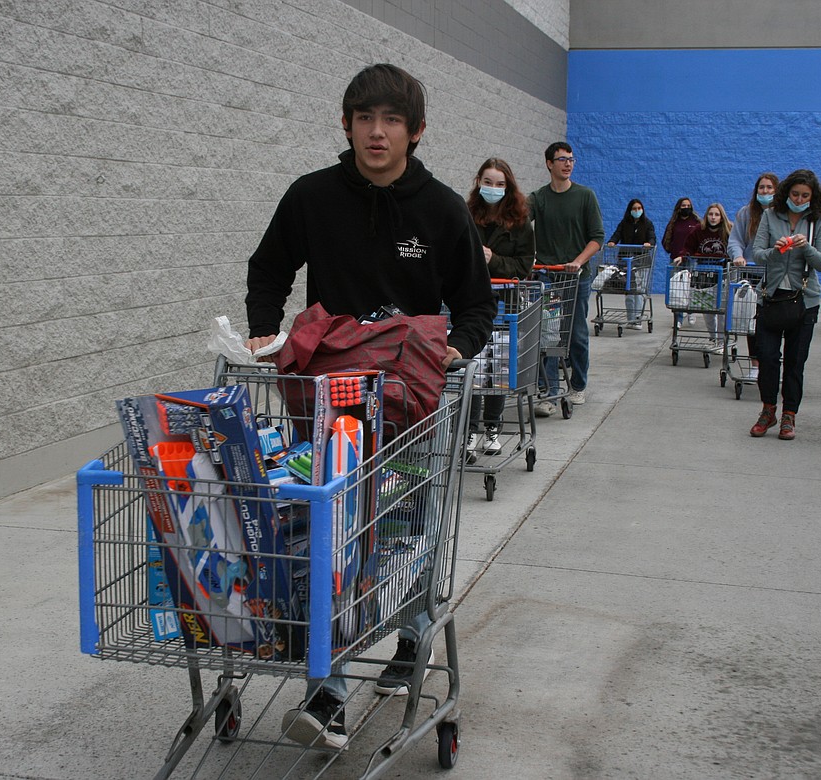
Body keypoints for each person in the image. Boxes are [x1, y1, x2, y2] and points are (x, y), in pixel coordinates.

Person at [244, 63, 495, 749]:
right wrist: (266, 328)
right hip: (333, 399)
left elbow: (475, 303)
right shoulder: (311, 198)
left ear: (415, 131)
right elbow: (269, 268)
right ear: (347, 124)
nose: (376, 132)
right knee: (334, 536)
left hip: (413, 398)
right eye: (364, 118)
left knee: (411, 524)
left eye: (390, 120)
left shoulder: (442, 209)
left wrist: (458, 349)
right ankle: (327, 698)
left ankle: (412, 638)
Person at [748, 169, 821, 441]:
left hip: (804, 301)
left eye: (805, 195)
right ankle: (768, 409)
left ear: (813, 197)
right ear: (786, 193)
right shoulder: (771, 216)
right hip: (772, 298)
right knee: (768, 358)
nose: (799, 199)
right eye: (795, 194)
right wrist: (776, 250)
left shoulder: (818, 219)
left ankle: (789, 416)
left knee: (795, 363)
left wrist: (805, 247)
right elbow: (757, 254)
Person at [526, 142, 605, 416]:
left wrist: (578, 262)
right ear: (549, 164)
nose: (567, 164)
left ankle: (578, 384)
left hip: (576, 277)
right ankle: (548, 391)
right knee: (548, 331)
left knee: (575, 333)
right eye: (561, 159)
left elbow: (597, 238)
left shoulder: (585, 196)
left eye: (571, 159)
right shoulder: (539, 198)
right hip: (548, 274)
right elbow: (518, 220)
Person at [465, 157, 535, 455]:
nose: (493, 188)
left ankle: (492, 426)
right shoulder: (466, 215)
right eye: (488, 182)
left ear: (509, 187)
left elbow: (524, 265)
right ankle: (469, 431)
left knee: (496, 370)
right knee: (472, 369)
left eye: (499, 184)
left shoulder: (520, 224)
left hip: (505, 306)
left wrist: (493, 260)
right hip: (470, 302)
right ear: (479, 182)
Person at [728, 172, 781, 366]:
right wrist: (738, 256)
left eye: (769, 188)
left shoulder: (781, 215)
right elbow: (735, 239)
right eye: (761, 187)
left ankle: (771, 361)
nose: (765, 191)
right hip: (751, 272)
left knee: (772, 320)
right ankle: (755, 363)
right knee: (753, 319)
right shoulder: (746, 213)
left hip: (774, 274)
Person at [681, 202, 732, 348]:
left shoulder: (728, 230)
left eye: (717, 214)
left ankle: (722, 341)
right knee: (708, 309)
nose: (713, 217)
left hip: (724, 274)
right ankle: (713, 337)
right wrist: (682, 255)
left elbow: (736, 247)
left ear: (721, 217)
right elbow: (688, 247)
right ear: (706, 216)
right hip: (705, 275)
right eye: (711, 214)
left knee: (722, 309)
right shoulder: (699, 230)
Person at [605, 198, 656, 329]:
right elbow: (617, 234)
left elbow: (652, 237)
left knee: (638, 290)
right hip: (626, 261)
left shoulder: (647, 223)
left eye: (639, 208)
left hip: (641, 261)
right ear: (630, 210)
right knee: (628, 291)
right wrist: (612, 242)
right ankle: (630, 318)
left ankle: (637, 319)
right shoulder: (624, 223)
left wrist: (649, 244)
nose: (637, 211)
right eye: (634, 209)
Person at [662, 196, 702, 329]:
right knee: (677, 290)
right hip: (676, 260)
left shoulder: (696, 222)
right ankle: (678, 318)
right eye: (683, 206)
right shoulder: (674, 223)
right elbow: (667, 238)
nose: (686, 208)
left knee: (690, 287)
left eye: (688, 205)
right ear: (679, 208)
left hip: (691, 260)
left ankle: (691, 311)